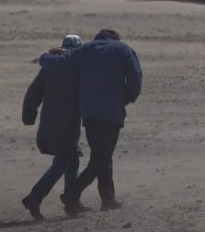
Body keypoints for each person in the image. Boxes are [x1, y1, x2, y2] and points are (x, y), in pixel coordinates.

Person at [39, 28, 142, 216]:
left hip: (88, 113)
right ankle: (72, 193)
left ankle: (108, 198)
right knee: (101, 158)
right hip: (111, 113)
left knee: (102, 155)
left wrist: (43, 58)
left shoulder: (86, 49)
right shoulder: (123, 50)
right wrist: (125, 99)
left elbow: (60, 63)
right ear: (116, 38)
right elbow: (135, 78)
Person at [20, 35, 87, 220]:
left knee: (72, 158)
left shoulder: (48, 68)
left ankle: (72, 202)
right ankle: (34, 197)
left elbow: (33, 93)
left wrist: (29, 116)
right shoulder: (77, 69)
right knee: (63, 162)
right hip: (67, 123)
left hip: (50, 121)